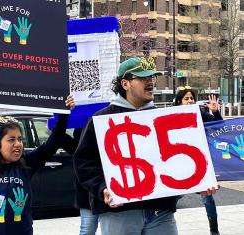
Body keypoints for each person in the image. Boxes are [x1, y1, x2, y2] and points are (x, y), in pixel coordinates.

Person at [74, 57, 180, 235]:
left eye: (152, 78)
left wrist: (201, 185)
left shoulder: (164, 118)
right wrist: (102, 188)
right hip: (120, 213)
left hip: (160, 212)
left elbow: (177, 159)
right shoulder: (101, 120)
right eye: (143, 78)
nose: (150, 83)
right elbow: (84, 162)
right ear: (125, 83)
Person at [0, 96, 74, 235]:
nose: (18, 144)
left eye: (20, 139)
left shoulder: (26, 164)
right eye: (11, 140)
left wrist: (64, 111)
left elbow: (55, 139)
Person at [173, 86, 222, 235]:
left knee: (208, 197)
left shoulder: (201, 114)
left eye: (191, 98)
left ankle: (214, 230)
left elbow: (218, 127)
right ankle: (162, 219)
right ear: (179, 102)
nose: (190, 101)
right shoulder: (171, 116)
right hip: (179, 162)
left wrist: (215, 111)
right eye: (186, 98)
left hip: (200, 162)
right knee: (171, 195)